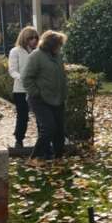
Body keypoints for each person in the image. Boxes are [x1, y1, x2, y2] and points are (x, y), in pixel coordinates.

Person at [21, 30, 68, 161]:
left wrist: (64, 93)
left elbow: (61, 76)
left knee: (59, 130)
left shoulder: (57, 56)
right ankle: (35, 157)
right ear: (51, 44)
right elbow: (26, 78)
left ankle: (59, 156)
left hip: (58, 98)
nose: (60, 46)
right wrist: (36, 93)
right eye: (58, 44)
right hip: (39, 99)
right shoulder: (36, 56)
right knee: (48, 128)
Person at [8, 26, 39, 149]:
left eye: (36, 38)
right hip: (20, 89)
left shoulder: (38, 52)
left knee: (39, 115)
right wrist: (23, 78)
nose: (34, 40)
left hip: (36, 88)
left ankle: (42, 140)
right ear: (24, 38)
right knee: (22, 116)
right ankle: (19, 139)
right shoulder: (15, 51)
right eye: (30, 38)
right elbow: (12, 70)